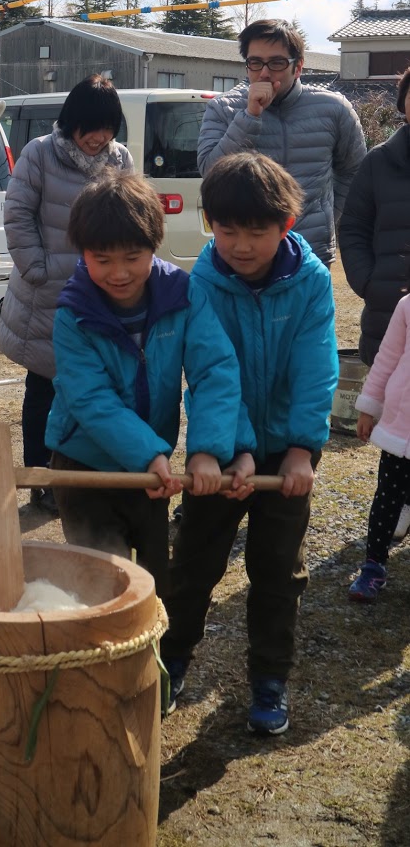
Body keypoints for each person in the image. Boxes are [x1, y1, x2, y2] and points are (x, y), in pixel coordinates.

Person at [161, 152, 338, 735]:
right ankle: (172, 662)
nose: (241, 244)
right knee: (194, 562)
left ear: (285, 225)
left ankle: (269, 678)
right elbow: (213, 374)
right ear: (209, 222)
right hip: (218, 451)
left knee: (278, 570)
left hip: (286, 452)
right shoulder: (202, 285)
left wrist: (301, 449)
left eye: (257, 231)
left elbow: (315, 371)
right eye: (227, 228)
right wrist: (226, 447)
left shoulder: (311, 282)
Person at [45, 170, 246, 596]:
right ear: (84, 253)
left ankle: (149, 662)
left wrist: (207, 451)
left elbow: (215, 371)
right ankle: (99, 659)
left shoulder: (184, 296)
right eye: (102, 259)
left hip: (151, 470)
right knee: (100, 581)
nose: (118, 273)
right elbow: (91, 401)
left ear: (154, 246)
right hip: (84, 466)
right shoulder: (73, 315)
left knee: (153, 577)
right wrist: (151, 454)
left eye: (132, 257)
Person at [0, 75, 133, 516]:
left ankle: (83, 470)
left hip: (101, 293)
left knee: (93, 387)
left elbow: (132, 217)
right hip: (48, 293)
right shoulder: (39, 153)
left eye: (107, 128)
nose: (98, 138)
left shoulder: (121, 158)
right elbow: (17, 215)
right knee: (44, 387)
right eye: (89, 128)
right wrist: (36, 268)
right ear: (70, 123)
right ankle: (42, 478)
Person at [198, 18, 366, 266]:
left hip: (310, 252)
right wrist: (249, 116)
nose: (264, 72)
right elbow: (210, 172)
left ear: (298, 67)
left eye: (276, 63)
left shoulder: (334, 108)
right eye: (255, 63)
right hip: (243, 255)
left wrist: (327, 217)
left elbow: (355, 171)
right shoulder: (223, 108)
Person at [339, 66, 410, 544]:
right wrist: (368, 282)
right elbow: (354, 227)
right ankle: (392, 513)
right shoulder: (381, 161)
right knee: (397, 420)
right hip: (391, 310)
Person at [347, 289, 410, 600]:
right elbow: (387, 358)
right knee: (388, 498)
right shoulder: (406, 305)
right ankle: (373, 566)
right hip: (402, 428)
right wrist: (368, 407)